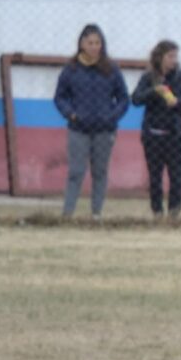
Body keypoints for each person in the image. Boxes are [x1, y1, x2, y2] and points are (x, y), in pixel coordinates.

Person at [54, 23, 129, 219]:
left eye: (98, 43)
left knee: (100, 172)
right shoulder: (71, 69)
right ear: (81, 44)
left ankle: (96, 213)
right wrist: (71, 114)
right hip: (78, 129)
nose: (95, 47)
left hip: (105, 130)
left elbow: (123, 98)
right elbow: (60, 97)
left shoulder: (111, 69)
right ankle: (67, 213)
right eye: (90, 43)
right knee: (76, 172)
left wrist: (112, 116)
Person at [132, 40, 181, 218]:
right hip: (153, 135)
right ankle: (157, 211)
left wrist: (177, 102)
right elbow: (136, 99)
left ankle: (174, 212)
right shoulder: (148, 78)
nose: (174, 60)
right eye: (170, 56)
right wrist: (154, 91)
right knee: (155, 176)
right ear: (159, 57)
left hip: (176, 135)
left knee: (176, 175)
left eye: (175, 56)